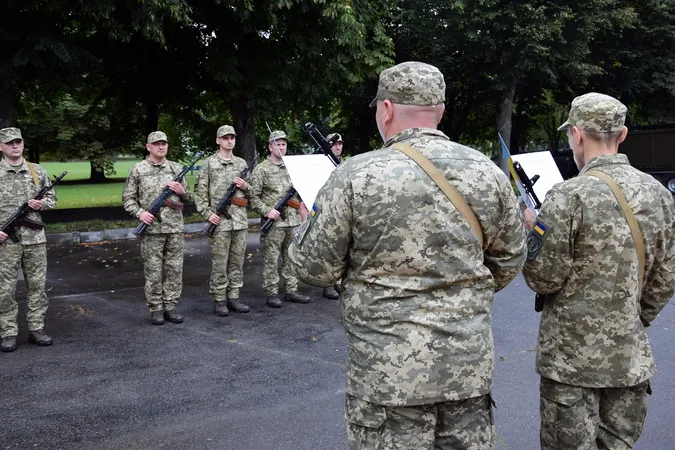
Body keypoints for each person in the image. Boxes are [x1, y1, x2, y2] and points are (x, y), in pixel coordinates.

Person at [289, 61, 527, 449]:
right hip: (466, 368)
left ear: (385, 109)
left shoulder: (356, 174)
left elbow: (313, 267)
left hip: (387, 375)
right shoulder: (487, 173)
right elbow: (510, 260)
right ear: (441, 111)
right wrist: (459, 296)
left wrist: (305, 225)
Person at [522, 93, 675, 450]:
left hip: (570, 367)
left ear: (576, 134)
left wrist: (533, 230)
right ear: (621, 134)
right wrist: (630, 318)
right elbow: (666, 277)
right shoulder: (659, 194)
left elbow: (541, 277)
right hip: (629, 361)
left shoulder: (567, 196)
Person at [122, 131, 192, 325]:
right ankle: (156, 309)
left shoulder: (176, 169)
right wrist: (140, 214)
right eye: (157, 144)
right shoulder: (138, 170)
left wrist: (182, 191)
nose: (161, 147)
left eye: (164, 144)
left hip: (174, 228)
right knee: (153, 271)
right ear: (148, 147)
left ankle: (170, 306)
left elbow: (190, 197)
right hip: (152, 230)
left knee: (174, 269)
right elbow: (128, 199)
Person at [0, 127, 57, 352]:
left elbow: (52, 199)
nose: (15, 146)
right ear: (1, 146)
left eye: (18, 142)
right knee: (5, 288)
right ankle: (8, 332)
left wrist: (40, 204)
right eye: (10, 142)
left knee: (37, 286)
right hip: (6, 242)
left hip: (35, 239)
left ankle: (37, 328)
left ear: (23, 144)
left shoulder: (37, 171)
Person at [248, 130, 311, 308]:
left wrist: (302, 212)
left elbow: (301, 193)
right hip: (275, 223)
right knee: (271, 258)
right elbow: (253, 197)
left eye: (283, 144)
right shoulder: (262, 169)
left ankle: (291, 290)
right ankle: (272, 292)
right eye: (277, 144)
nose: (281, 147)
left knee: (291, 257)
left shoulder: (294, 168)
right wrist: (267, 211)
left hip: (293, 221)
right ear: (270, 147)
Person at [194, 125, 251, 316]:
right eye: (225, 138)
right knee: (220, 263)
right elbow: (200, 194)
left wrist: (245, 185)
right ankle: (219, 299)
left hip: (240, 222)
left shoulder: (242, 164)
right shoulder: (209, 164)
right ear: (218, 140)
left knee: (237, 263)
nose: (229, 141)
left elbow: (252, 194)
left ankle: (234, 297)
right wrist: (208, 214)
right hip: (220, 223)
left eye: (232, 138)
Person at [322, 132, 344, 300]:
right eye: (335, 144)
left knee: (340, 251)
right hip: (324, 212)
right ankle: (328, 285)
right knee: (326, 251)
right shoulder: (321, 164)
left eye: (340, 144)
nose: (338, 147)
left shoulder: (342, 165)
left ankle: (338, 282)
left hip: (341, 213)